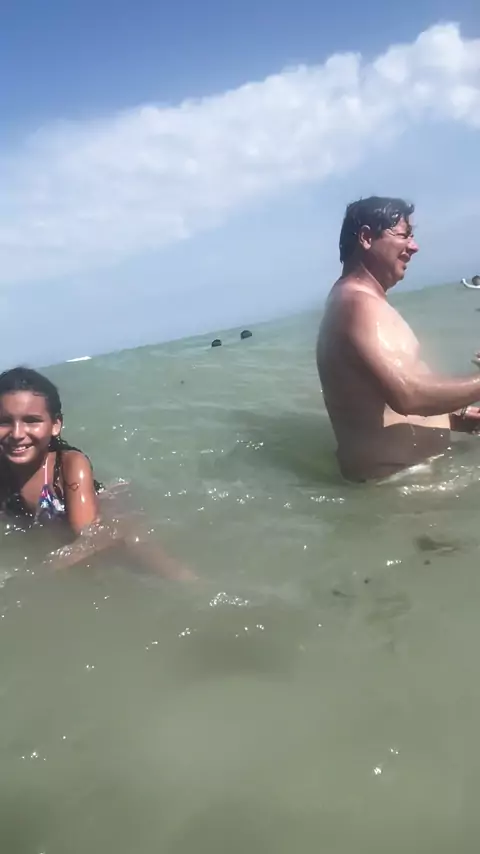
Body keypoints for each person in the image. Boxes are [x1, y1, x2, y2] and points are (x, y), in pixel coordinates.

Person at [316, 196, 480, 482]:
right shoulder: (358, 305)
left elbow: (380, 402)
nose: (414, 247)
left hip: (408, 480)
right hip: (402, 485)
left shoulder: (354, 301)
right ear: (367, 237)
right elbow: (408, 395)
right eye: (404, 235)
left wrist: (455, 416)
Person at [0, 366, 192, 577]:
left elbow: (90, 538)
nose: (17, 434)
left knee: (156, 564)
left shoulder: (69, 465)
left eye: (32, 421)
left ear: (55, 425)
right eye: (4, 422)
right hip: (58, 522)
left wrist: (37, 574)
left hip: (107, 518)